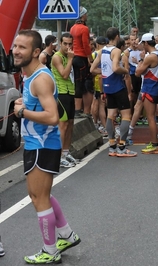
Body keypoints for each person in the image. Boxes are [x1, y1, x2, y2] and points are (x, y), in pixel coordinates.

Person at [13, 29, 80, 264]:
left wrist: (22, 111)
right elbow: (41, 105)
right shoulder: (31, 76)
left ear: (36, 52)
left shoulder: (40, 78)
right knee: (42, 195)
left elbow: (52, 116)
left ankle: (50, 251)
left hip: (42, 145)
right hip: (38, 144)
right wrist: (26, 103)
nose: (16, 51)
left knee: (38, 198)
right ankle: (66, 234)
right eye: (15, 46)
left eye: (22, 47)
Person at [90, 27, 137, 157]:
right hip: (117, 86)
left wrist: (105, 73)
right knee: (126, 116)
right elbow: (116, 67)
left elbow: (92, 69)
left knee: (111, 115)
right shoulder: (116, 51)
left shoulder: (101, 50)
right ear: (117, 36)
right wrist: (126, 71)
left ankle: (112, 146)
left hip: (107, 86)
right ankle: (122, 147)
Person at [51, 33, 78, 167]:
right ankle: (59, 155)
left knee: (71, 124)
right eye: (65, 44)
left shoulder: (68, 55)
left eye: (70, 44)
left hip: (70, 91)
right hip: (61, 93)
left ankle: (66, 152)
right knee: (63, 125)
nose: (68, 46)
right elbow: (65, 75)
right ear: (60, 43)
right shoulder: (57, 57)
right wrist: (71, 59)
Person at [135, 33, 158, 154]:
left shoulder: (150, 57)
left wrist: (141, 59)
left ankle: (155, 144)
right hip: (155, 86)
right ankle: (154, 142)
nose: (142, 46)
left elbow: (137, 72)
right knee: (152, 116)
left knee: (150, 117)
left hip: (150, 87)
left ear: (146, 43)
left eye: (142, 43)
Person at [70, 6, 93, 118]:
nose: (87, 16)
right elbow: (86, 45)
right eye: (86, 14)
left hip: (74, 57)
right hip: (82, 57)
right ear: (83, 15)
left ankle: (78, 109)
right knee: (83, 82)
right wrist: (90, 59)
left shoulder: (73, 28)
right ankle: (79, 110)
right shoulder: (84, 28)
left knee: (77, 81)